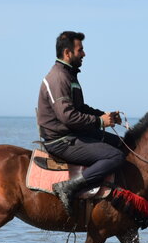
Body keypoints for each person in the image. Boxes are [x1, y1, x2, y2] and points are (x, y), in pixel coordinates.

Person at [37, 31, 125, 216]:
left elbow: (80, 108)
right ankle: (68, 187)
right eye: (80, 50)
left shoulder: (69, 75)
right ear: (67, 53)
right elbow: (67, 117)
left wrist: (104, 115)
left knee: (122, 144)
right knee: (115, 157)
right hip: (61, 140)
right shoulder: (58, 78)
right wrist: (100, 122)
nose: (84, 54)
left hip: (73, 133)